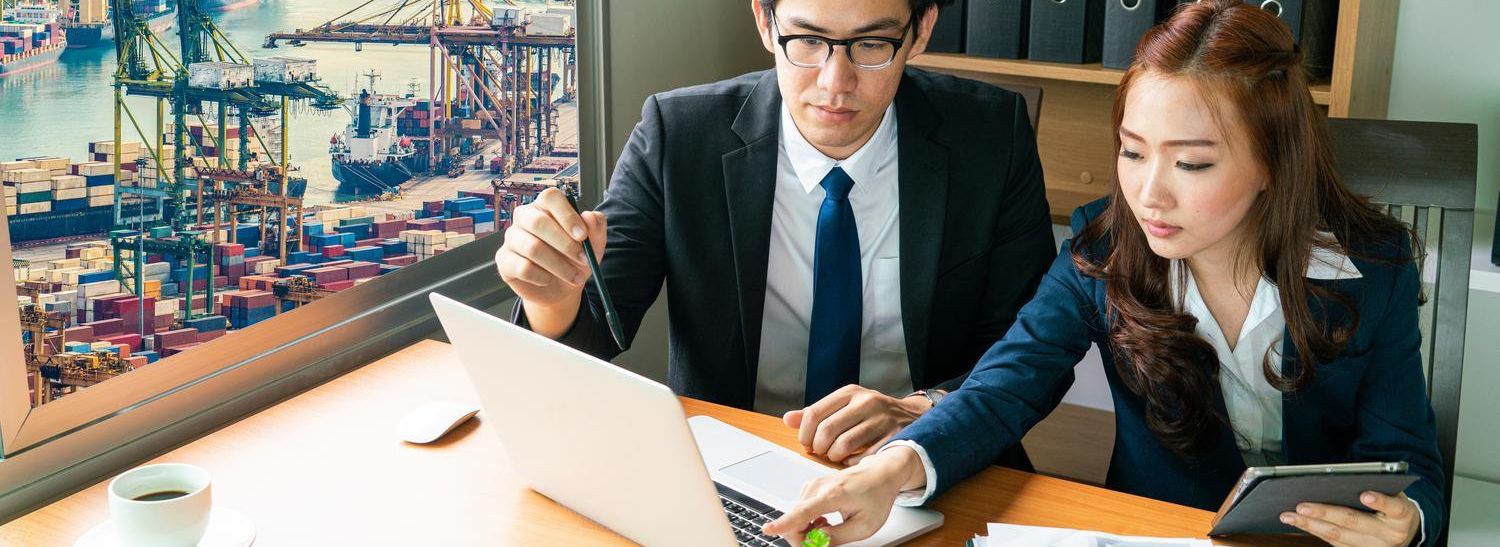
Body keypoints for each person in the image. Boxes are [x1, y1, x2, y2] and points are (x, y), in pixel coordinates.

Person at [764, 1, 1445, 545]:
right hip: (1150, 531)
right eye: (1132, 151)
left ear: (1272, 163)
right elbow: (1005, 384)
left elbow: (1408, 456)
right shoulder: (1103, 249)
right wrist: (892, 469)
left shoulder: (1372, 268)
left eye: (1192, 163)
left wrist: (1408, 520)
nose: (1150, 193)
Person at [493, 0, 1055, 467]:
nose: (837, 83)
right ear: (765, 20)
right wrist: (552, 296)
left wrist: (921, 410)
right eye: (807, 41)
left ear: (921, 29)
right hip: (734, 462)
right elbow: (595, 331)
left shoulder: (991, 136)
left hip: (925, 457)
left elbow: (1029, 353)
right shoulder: (678, 136)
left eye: (872, 45)